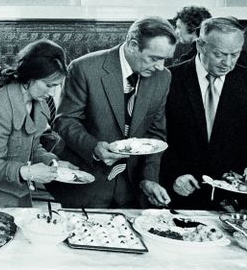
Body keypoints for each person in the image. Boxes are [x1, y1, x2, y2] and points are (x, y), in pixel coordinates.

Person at [51, 16, 176, 209]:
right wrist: (94, 147)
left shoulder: (163, 77)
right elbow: (64, 121)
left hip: (132, 190)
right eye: (155, 58)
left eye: (165, 59)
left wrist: (149, 179)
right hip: (86, 184)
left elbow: (156, 135)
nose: (160, 66)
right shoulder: (84, 68)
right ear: (133, 45)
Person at [0, 40, 75, 208]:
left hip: (18, 195)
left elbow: (32, 146)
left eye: (56, 86)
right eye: (48, 85)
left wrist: (52, 162)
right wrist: (28, 172)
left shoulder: (41, 105)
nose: (52, 92)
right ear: (31, 76)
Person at [160, 17, 247, 209]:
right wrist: (173, 173)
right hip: (178, 193)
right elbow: (153, 136)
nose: (228, 62)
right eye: (220, 54)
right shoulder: (168, 79)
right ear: (200, 45)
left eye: (235, 54)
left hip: (233, 201)